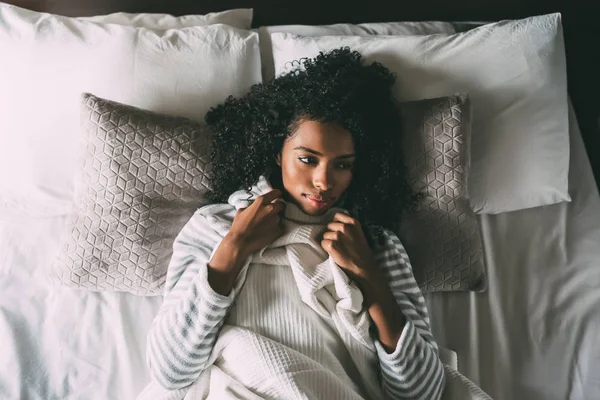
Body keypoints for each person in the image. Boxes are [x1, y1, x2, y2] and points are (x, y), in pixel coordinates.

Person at [143, 48, 445, 400]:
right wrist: (234, 247)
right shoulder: (214, 227)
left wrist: (370, 277)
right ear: (277, 151)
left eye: (342, 165)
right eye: (307, 159)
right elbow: (170, 370)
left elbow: (424, 394)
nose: (323, 181)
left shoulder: (376, 245)